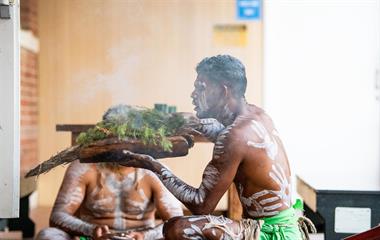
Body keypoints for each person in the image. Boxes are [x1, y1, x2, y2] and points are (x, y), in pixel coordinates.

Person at [116, 55, 314, 240]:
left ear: (223, 91)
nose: (193, 94)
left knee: (176, 228)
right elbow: (226, 135)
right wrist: (182, 122)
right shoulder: (255, 115)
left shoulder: (235, 136)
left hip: (271, 234)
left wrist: (152, 165)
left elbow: (202, 205)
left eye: (200, 87)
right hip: (286, 226)